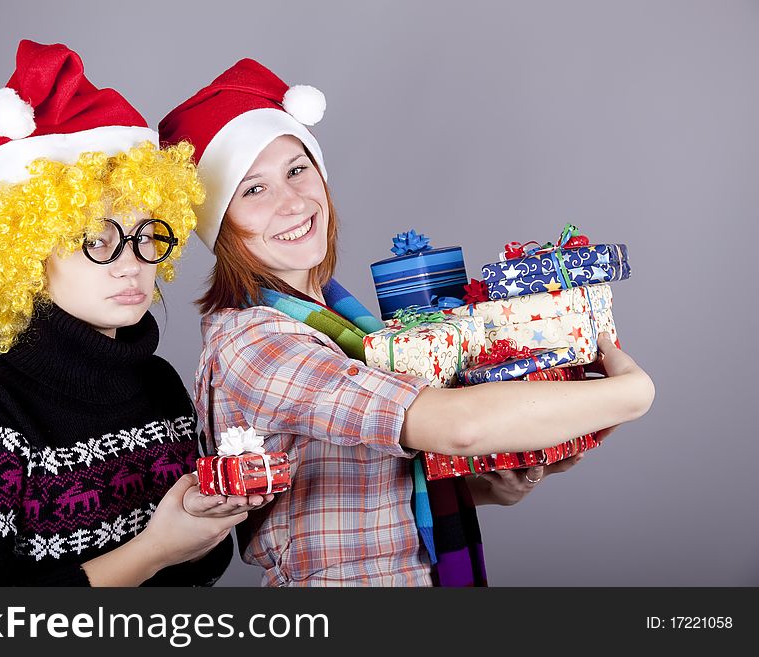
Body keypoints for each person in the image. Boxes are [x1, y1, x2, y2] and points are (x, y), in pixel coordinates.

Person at [158, 59, 655, 586]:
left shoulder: (341, 320)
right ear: (221, 226)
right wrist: (633, 393)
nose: (292, 202)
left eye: (297, 170)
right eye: (252, 190)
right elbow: (456, 426)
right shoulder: (254, 342)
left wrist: (492, 485)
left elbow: (376, 487)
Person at [0, 40, 271, 586]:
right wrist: (155, 549)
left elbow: (202, 569)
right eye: (97, 240)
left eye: (148, 236)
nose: (131, 265)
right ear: (25, 251)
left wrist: (198, 523)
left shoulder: (160, 384)